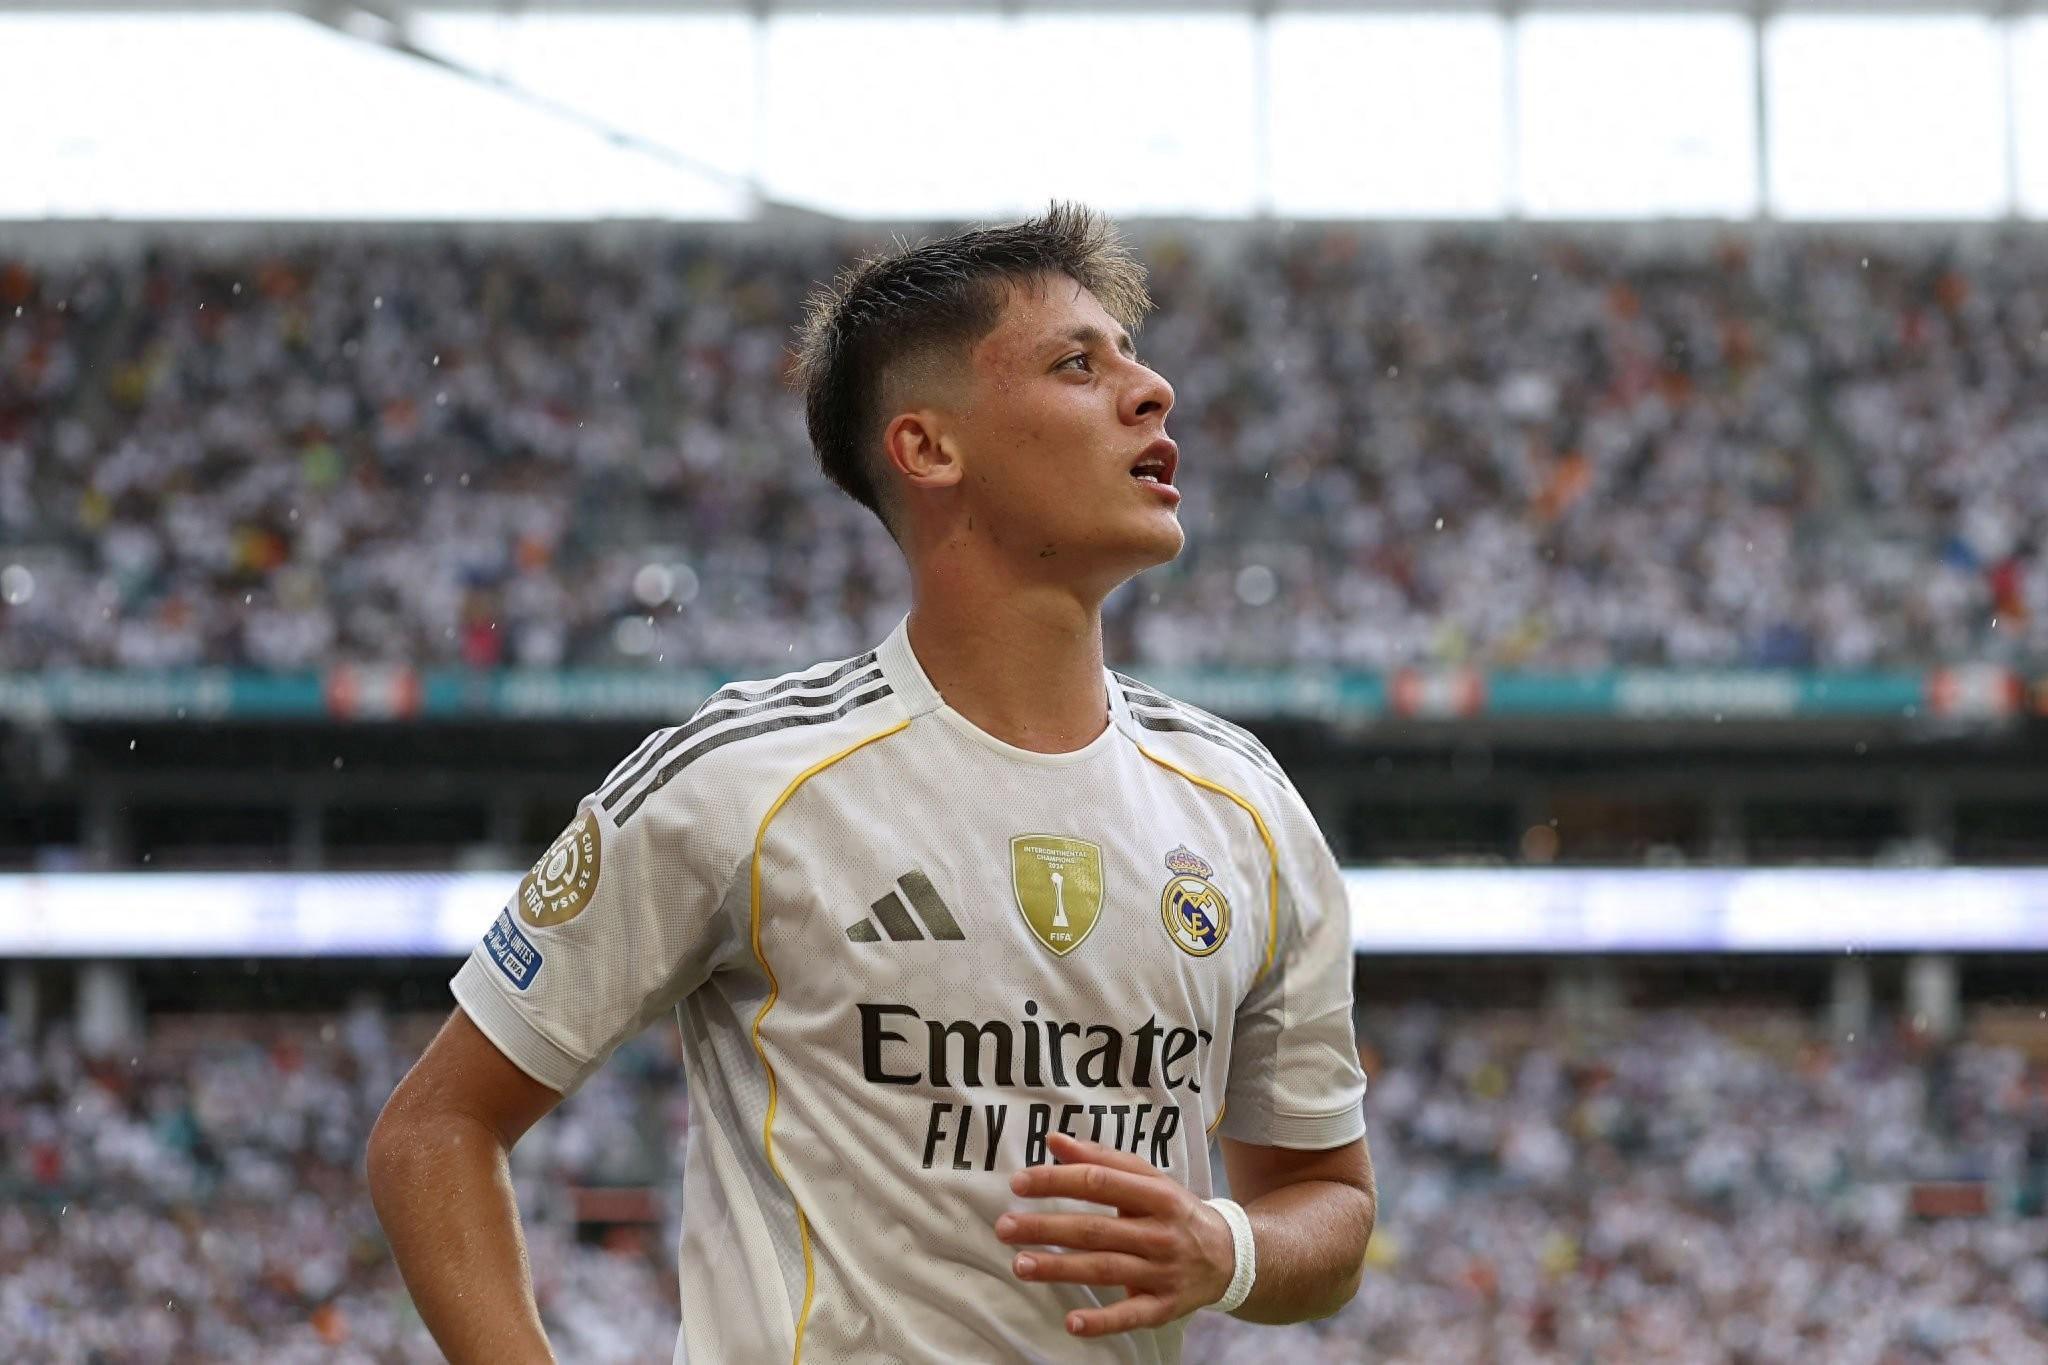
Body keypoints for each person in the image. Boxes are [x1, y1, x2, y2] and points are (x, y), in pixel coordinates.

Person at [367, 204, 1376, 1364]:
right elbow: (434, 1132)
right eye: (1076, 364)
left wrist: (1226, 1248)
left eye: (1132, 358)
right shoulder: (743, 780)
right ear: (927, 449)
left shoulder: (1245, 808)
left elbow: (1329, 1203)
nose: (1151, 392)